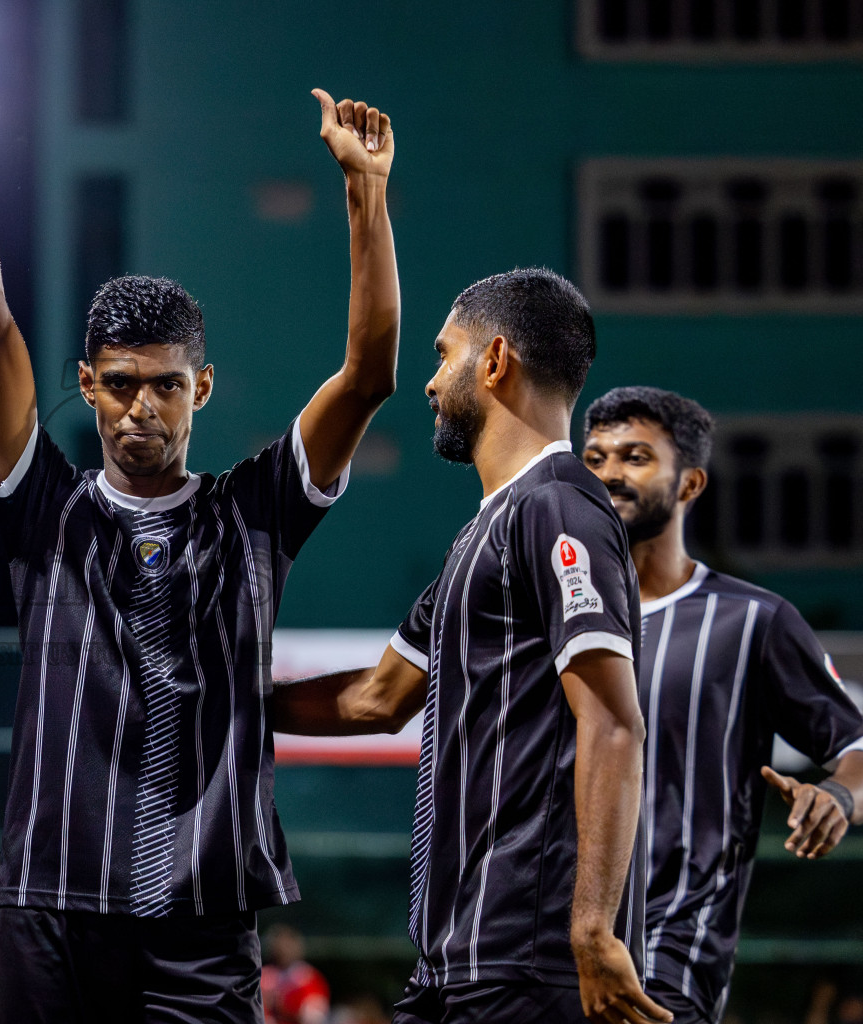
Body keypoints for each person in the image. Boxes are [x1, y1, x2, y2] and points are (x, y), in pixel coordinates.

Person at [0, 20, 401, 1023]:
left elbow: (368, 375)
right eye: (123, 384)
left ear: (204, 389)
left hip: (201, 913)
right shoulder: (42, 502)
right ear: (88, 386)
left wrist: (365, 194)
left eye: (167, 386)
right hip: (52, 900)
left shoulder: (256, 512)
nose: (144, 407)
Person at [272, 269, 666, 1024]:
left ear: (493, 362)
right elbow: (377, 698)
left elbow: (614, 723)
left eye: (442, 355)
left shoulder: (561, 509)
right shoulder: (479, 540)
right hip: (457, 960)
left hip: (529, 955)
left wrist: (592, 928)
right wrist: (224, 705)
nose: (428, 383)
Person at [581, 386, 863, 1024]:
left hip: (672, 948)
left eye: (635, 456)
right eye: (595, 457)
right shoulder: (552, 614)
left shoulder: (753, 621)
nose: (610, 472)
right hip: (545, 939)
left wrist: (835, 797)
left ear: (690, 484)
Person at [261, 924, 331, 1024]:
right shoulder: (262, 976)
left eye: (287, 944)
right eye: (278, 942)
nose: (282, 949)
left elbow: (315, 1018)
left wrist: (285, 1005)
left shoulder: (309, 978)